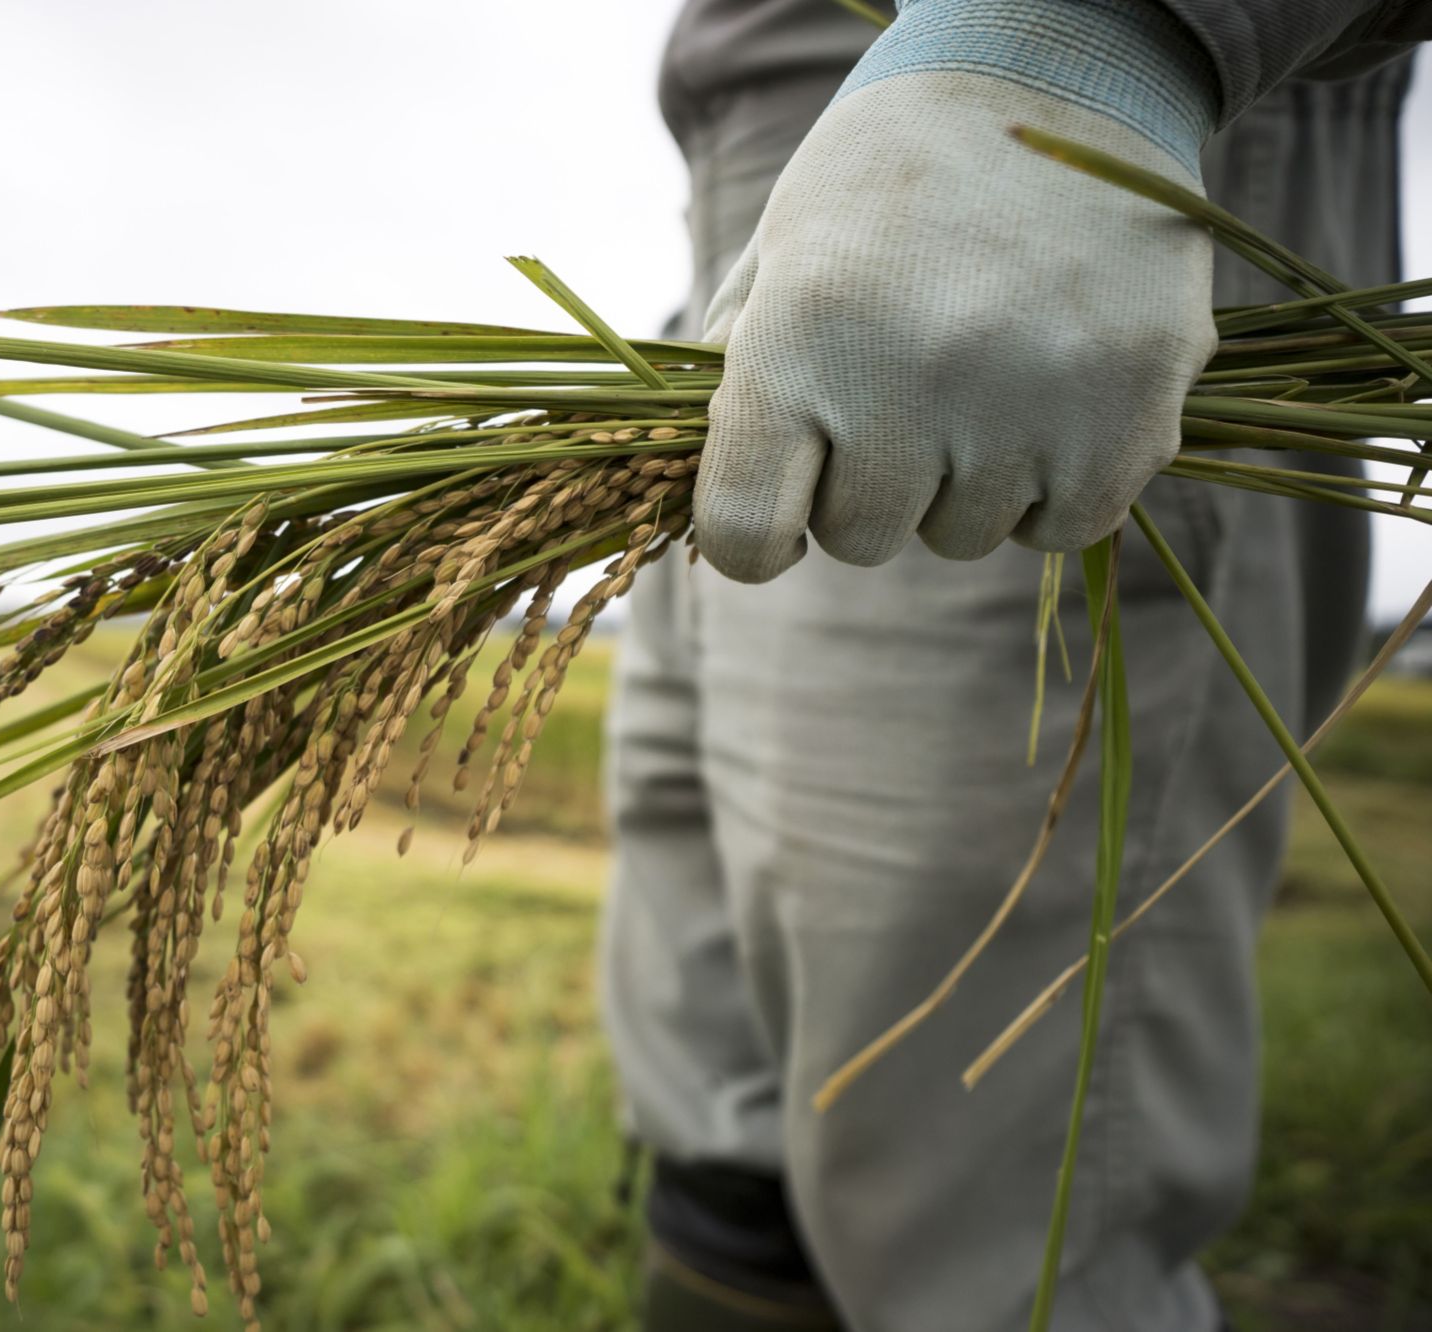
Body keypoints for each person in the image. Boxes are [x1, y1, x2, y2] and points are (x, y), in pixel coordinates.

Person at [600, 2, 1426, 1329]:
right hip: (778, 170)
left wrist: (1096, 33)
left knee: (978, 1218)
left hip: (1049, 175)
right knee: (725, 1101)